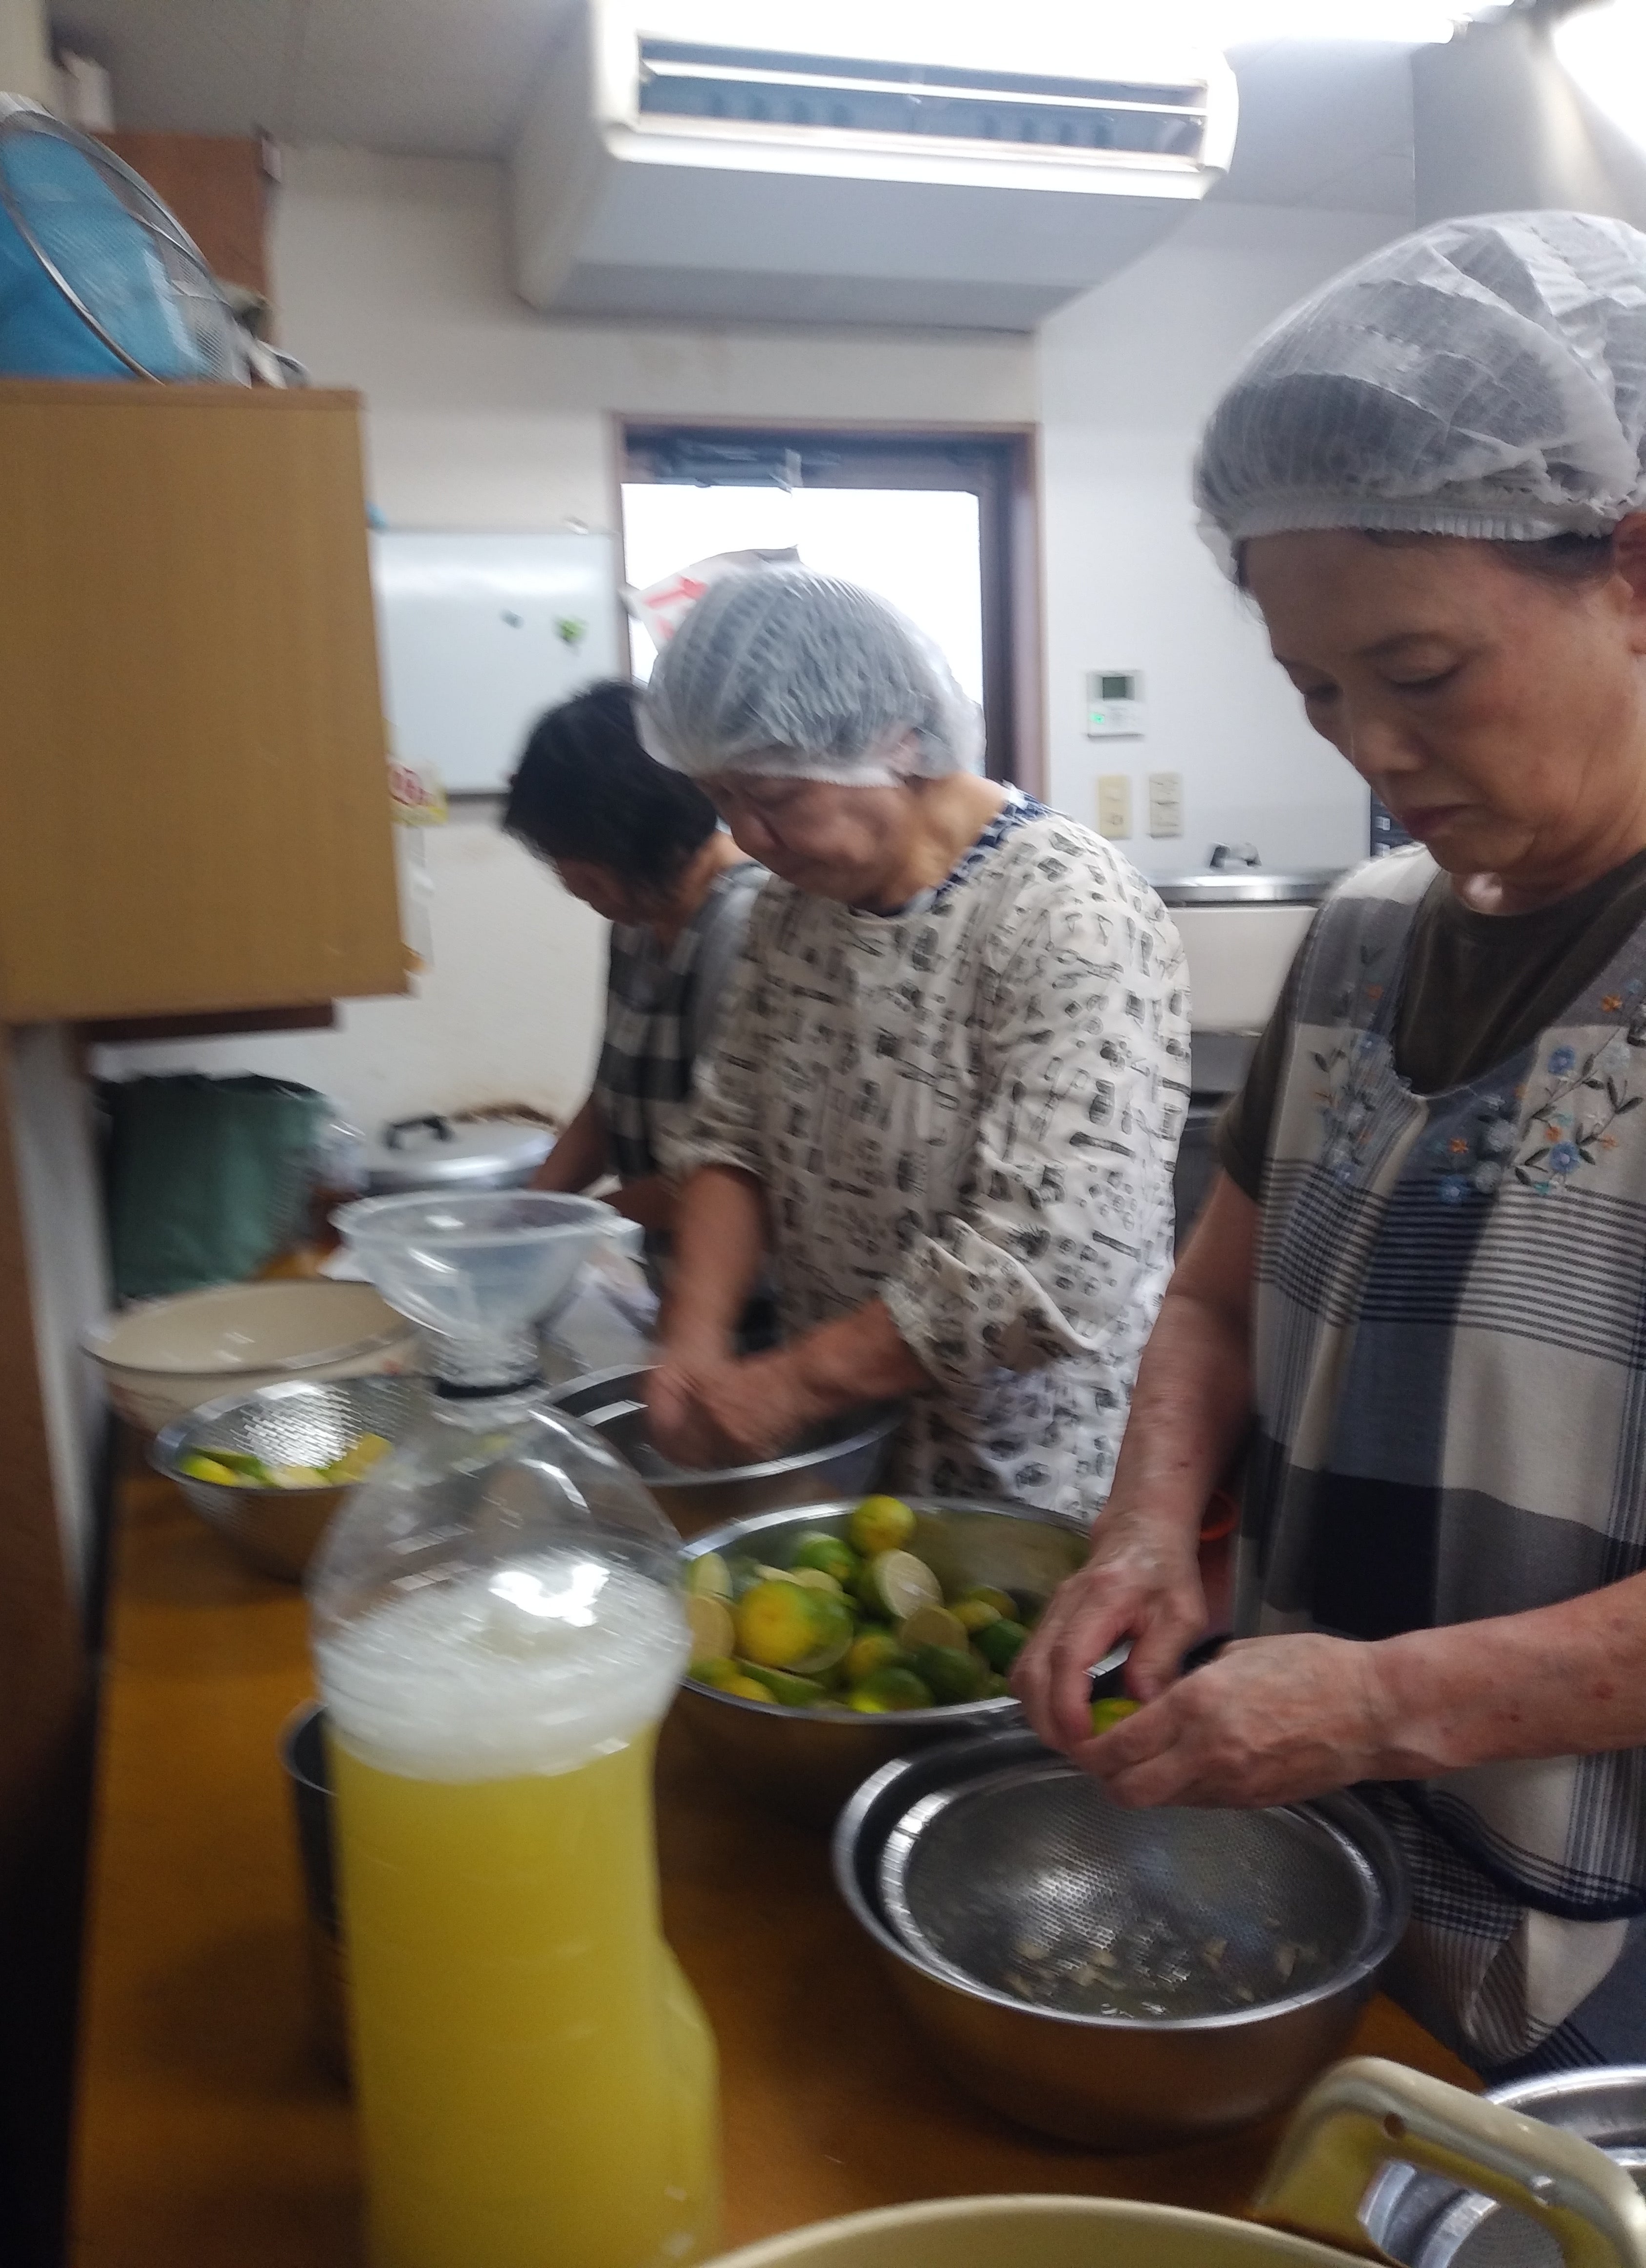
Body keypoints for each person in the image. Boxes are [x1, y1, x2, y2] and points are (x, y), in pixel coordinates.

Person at [1016, 210, 1646, 2081]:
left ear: (1632, 569)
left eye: (1422, 671)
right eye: (1315, 688)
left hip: (1600, 1959)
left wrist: (1384, 1700)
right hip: (1324, 1866)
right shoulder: (1365, 937)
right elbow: (1214, 1299)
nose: (1370, 746)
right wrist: (1149, 1525)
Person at [640, 567, 1188, 1516]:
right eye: (720, 798)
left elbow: (1050, 1263)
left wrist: (794, 1383)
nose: (749, 836)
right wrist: (693, 1342)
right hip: (845, 1458)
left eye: (774, 795)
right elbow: (734, 1136)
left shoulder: (1069, 913)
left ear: (895, 743)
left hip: (1031, 1484)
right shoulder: (790, 911)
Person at [502, 680, 765, 1274]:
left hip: (747, 1290)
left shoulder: (744, 928)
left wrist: (577, 1222)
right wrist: (527, 1215)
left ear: (652, 837)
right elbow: (609, 1099)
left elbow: (739, 1165)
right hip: (667, 1269)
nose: (570, 884)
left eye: (585, 864)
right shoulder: (637, 922)